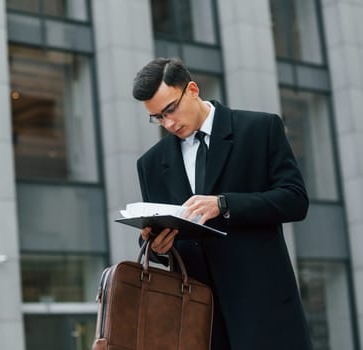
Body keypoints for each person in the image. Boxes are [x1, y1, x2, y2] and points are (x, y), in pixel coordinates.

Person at [132, 57, 312, 350]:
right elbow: (169, 241)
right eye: (158, 118)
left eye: (170, 110)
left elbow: (295, 200)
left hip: (263, 310)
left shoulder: (260, 129)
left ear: (192, 89)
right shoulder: (151, 164)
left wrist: (224, 205)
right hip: (199, 319)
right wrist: (159, 248)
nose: (168, 123)